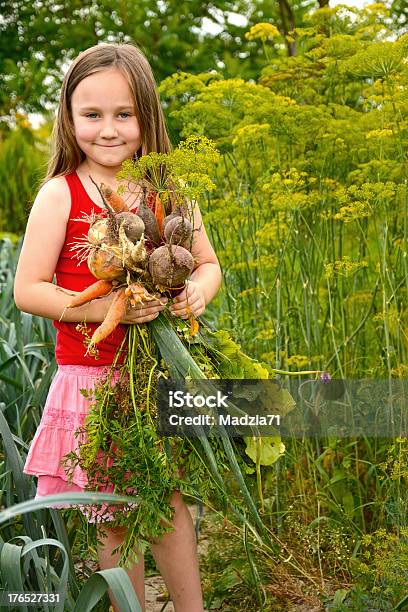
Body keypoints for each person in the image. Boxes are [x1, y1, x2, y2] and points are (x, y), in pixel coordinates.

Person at [13, 42, 222, 612]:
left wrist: (196, 293)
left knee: (169, 507)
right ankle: (129, 606)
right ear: (69, 117)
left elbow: (208, 263)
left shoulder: (167, 191)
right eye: (92, 115)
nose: (109, 130)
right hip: (93, 381)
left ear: (147, 115)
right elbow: (28, 289)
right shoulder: (61, 195)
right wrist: (110, 311)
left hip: (154, 381)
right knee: (112, 517)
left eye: (124, 114)